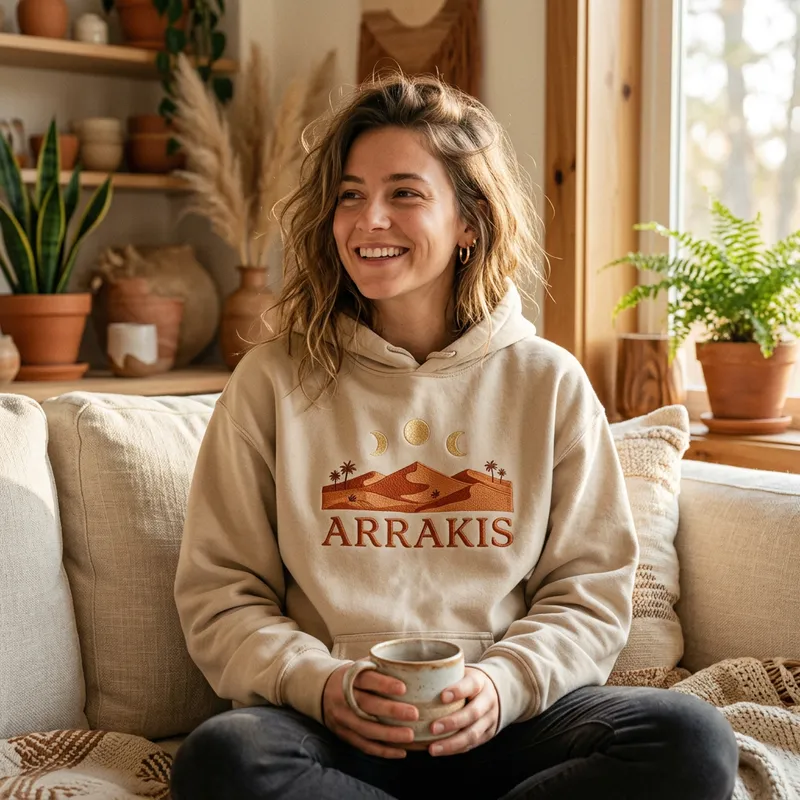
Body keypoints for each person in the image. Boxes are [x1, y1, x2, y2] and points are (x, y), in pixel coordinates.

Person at [170, 72, 738, 800]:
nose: (369, 219)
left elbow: (589, 593)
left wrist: (504, 684)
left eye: (404, 193)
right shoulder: (270, 382)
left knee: (691, 738)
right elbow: (222, 595)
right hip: (334, 726)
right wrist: (321, 682)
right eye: (350, 195)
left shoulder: (548, 382)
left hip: (506, 724)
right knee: (223, 758)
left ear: (469, 221)